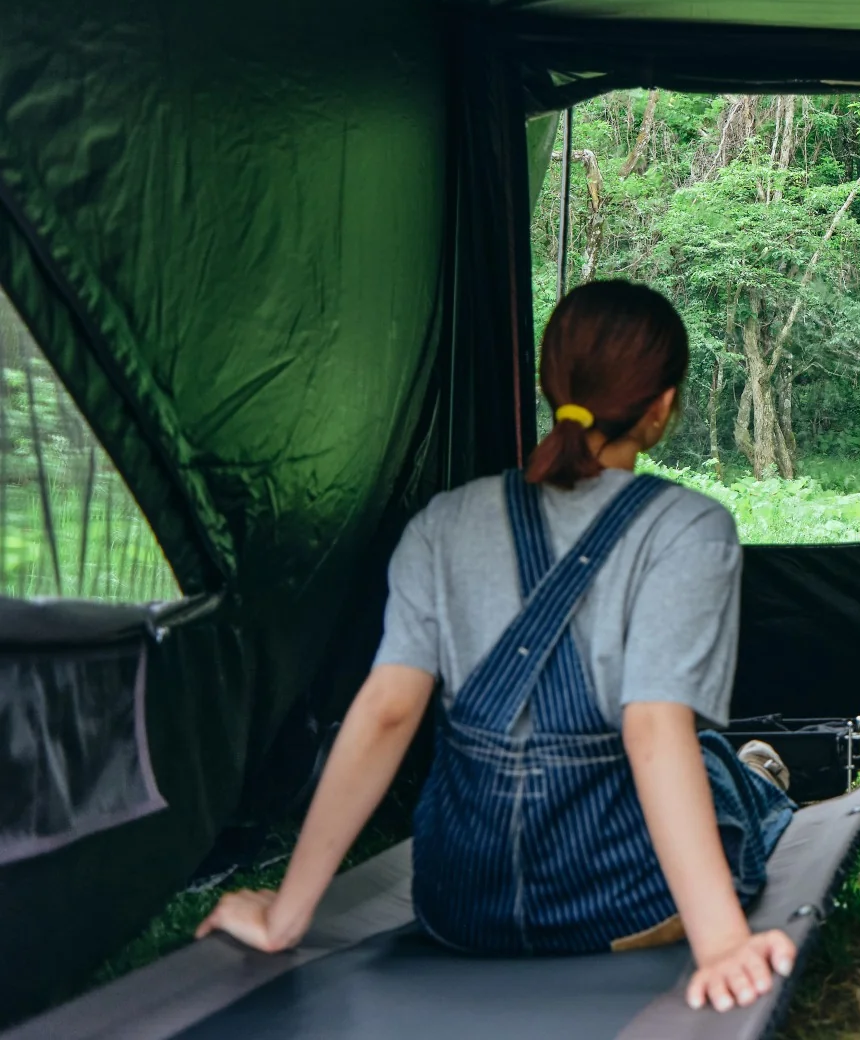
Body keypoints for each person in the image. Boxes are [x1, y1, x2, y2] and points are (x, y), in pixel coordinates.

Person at [198, 281, 797, 1014]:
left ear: (551, 387)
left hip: (461, 908)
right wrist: (724, 945)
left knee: (696, 759)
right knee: (709, 768)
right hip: (621, 905)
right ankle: (759, 777)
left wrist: (285, 917)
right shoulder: (687, 527)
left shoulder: (443, 522)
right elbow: (652, 730)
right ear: (662, 408)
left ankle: (747, 772)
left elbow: (386, 712)